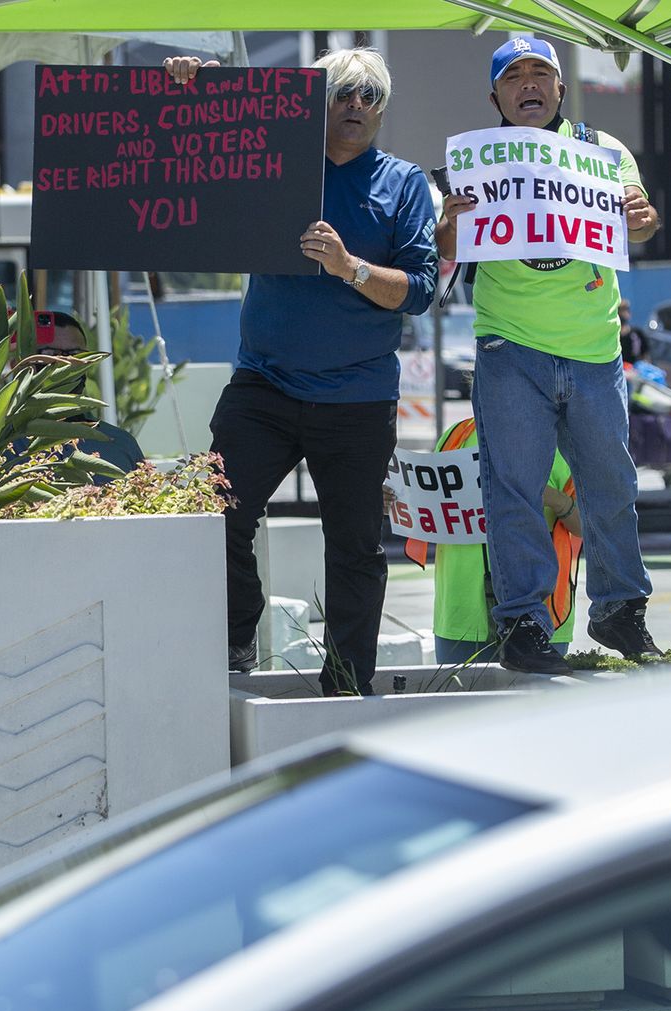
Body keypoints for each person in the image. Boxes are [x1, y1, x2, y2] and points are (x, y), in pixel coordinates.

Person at [165, 48, 438, 689]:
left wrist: (352, 268)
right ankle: (236, 638)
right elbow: (196, 160)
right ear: (312, 104)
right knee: (212, 511)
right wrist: (192, 91)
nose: (356, 107)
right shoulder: (272, 165)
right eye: (342, 93)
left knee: (355, 547)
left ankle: (346, 680)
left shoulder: (400, 184)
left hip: (357, 397)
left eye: (370, 97)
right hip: (264, 383)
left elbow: (422, 290)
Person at [435, 37, 661, 676]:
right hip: (511, 347)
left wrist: (640, 216)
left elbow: (641, 222)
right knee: (513, 488)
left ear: (561, 89)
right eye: (513, 77)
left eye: (541, 74)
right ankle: (525, 621)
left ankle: (620, 608)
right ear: (496, 97)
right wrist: (449, 224)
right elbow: (446, 252)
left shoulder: (603, 150)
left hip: (592, 350)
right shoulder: (477, 161)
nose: (528, 84)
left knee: (611, 484)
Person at [406, 417, 583, 666]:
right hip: (460, 612)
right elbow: (426, 505)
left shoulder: (560, 444)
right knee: (462, 704)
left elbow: (588, 527)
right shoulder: (456, 435)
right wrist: (396, 501)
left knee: (536, 704)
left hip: (543, 615)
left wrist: (555, 499)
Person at [0, 306, 145, 477]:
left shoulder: (119, 443)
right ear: (17, 364)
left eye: (76, 354)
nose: (65, 363)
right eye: (49, 354)